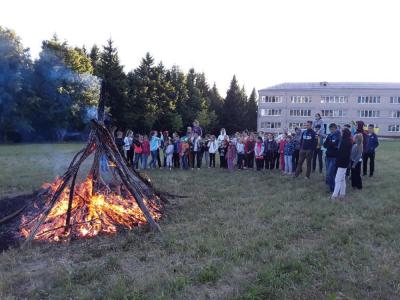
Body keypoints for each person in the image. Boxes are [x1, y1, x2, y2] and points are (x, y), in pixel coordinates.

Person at [331, 128, 353, 200]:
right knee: (342, 179)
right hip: (345, 162)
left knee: (337, 180)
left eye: (342, 132)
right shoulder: (348, 141)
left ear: (344, 133)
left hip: (342, 163)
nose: (341, 133)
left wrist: (338, 161)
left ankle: (334, 196)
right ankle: (342, 194)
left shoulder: (344, 142)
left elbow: (342, 153)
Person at [323, 123, 341, 192]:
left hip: (334, 157)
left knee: (331, 173)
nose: (331, 130)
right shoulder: (329, 135)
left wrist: (330, 143)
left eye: (332, 129)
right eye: (330, 129)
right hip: (328, 156)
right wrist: (330, 143)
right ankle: (331, 186)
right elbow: (325, 145)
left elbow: (336, 145)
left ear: (335, 128)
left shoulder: (338, 135)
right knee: (328, 172)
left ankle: (333, 188)